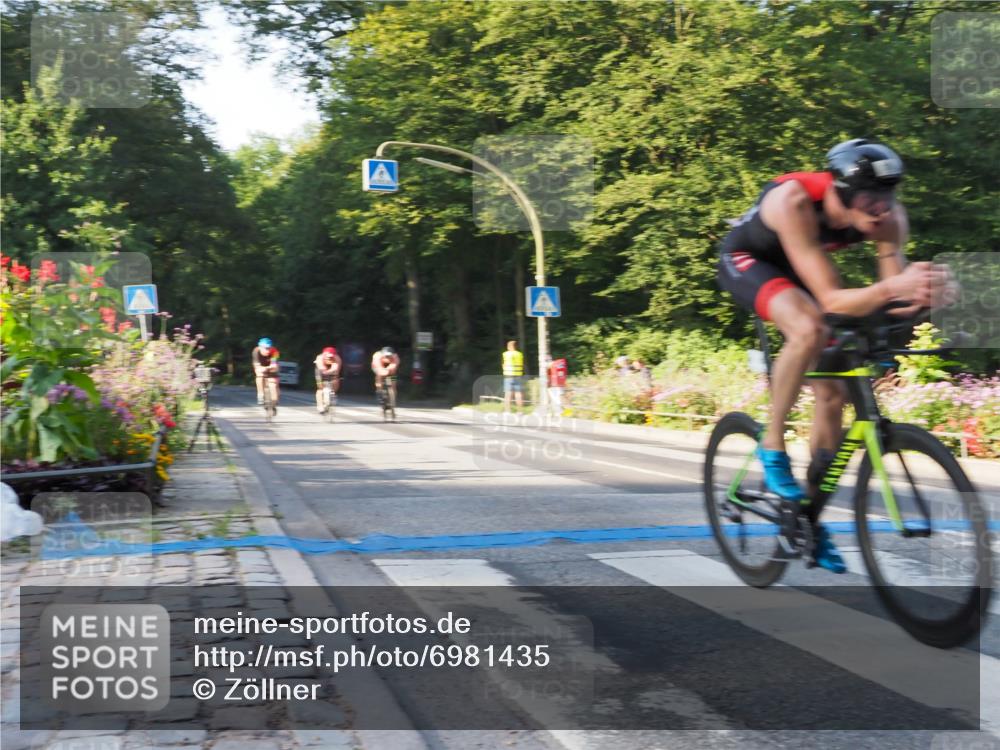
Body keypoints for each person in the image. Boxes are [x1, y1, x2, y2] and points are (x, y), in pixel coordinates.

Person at [716, 138, 955, 573]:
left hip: (803, 267)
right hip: (750, 260)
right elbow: (830, 299)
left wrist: (925, 297)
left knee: (833, 392)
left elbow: (891, 302)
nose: (880, 208)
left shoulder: (888, 219)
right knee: (809, 328)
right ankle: (772, 444)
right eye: (869, 198)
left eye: (887, 196)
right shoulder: (794, 201)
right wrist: (893, 288)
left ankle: (806, 517)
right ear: (840, 191)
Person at [251, 338, 280, 411]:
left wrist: (271, 368)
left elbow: (274, 364)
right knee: (259, 374)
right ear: (260, 347)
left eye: (269, 348)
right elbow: (257, 366)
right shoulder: (256, 351)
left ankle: (274, 402)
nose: (267, 350)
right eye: (265, 348)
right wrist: (261, 369)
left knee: (274, 382)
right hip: (261, 365)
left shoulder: (275, 351)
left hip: (271, 366)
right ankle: (260, 394)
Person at [314, 346, 342, 414]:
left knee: (335, 382)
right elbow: (321, 369)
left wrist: (334, 383)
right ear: (324, 355)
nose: (329, 358)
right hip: (320, 370)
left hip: (331, 369)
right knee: (320, 387)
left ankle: (330, 398)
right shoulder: (320, 358)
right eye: (327, 356)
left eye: (331, 357)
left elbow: (336, 370)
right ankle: (320, 405)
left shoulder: (337, 359)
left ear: (334, 355)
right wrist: (325, 373)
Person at [502, 340, 525, 412]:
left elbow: (503, 365)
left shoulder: (505, 354)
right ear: (516, 346)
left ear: (509, 347)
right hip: (518, 376)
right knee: (518, 394)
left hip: (508, 376)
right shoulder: (520, 354)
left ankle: (507, 411)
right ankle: (520, 411)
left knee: (508, 394)